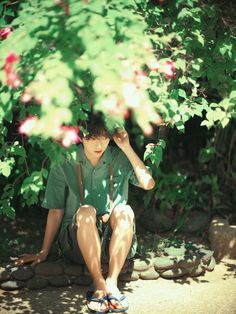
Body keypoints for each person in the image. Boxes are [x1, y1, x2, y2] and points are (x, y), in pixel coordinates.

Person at [15, 112, 155, 313]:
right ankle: (98, 284)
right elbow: (55, 210)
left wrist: (126, 147)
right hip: (77, 243)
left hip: (113, 244)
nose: (99, 144)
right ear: (81, 136)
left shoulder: (119, 158)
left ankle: (112, 283)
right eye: (92, 138)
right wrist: (44, 252)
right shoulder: (64, 161)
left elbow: (148, 184)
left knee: (124, 210)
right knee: (86, 211)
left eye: (104, 137)